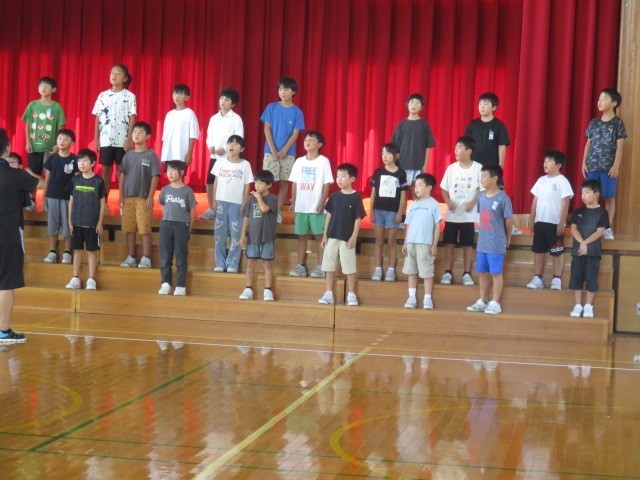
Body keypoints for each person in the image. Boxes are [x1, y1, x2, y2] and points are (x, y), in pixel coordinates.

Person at [0, 129, 43, 344]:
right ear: (8, 148)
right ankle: (3, 331)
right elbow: (43, 184)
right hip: (7, 236)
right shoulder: (16, 175)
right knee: (6, 284)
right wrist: (27, 171)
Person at [466, 165, 513, 315]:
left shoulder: (503, 198)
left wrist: (508, 237)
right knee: (482, 272)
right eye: (481, 176)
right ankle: (483, 300)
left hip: (496, 243)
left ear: (494, 178)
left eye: (484, 176)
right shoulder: (481, 197)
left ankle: (495, 302)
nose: (482, 179)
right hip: (482, 242)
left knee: (496, 273)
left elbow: (508, 220)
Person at [581, 88, 627, 240]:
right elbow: (588, 143)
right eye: (599, 99)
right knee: (590, 197)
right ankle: (589, 227)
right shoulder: (594, 122)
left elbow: (620, 146)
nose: (599, 101)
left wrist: (616, 166)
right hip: (592, 166)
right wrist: (583, 162)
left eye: (604, 99)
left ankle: (607, 228)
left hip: (608, 168)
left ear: (613, 103)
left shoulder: (618, 123)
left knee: (609, 198)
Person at [318, 163, 366, 307]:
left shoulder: (356, 197)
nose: (339, 179)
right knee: (329, 266)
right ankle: (328, 293)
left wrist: (354, 236)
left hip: (346, 238)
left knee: (349, 266)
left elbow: (357, 218)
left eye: (343, 176)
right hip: (332, 236)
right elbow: (329, 215)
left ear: (352, 179)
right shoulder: (334, 196)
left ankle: (351, 294)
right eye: (337, 176)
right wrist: (325, 235)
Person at [288, 131, 334, 279]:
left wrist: (322, 202)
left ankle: (321, 266)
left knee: (319, 236)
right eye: (306, 139)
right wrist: (293, 202)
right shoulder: (299, 161)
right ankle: (300, 265)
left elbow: (327, 184)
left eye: (311, 139)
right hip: (302, 206)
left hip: (316, 206)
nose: (307, 141)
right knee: (302, 236)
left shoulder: (324, 161)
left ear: (319, 144)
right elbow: (294, 183)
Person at [526, 150, 574, 290]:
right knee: (539, 251)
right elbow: (535, 200)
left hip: (555, 224)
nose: (545, 164)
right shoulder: (541, 180)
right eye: (544, 161)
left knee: (557, 251)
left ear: (558, 165)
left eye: (549, 161)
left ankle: (556, 279)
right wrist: (532, 218)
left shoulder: (562, 181)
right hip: (540, 222)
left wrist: (561, 222)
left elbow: (566, 203)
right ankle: (537, 278)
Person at [439, 136, 482, 286]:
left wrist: (473, 203)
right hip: (452, 215)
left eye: (459, 148)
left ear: (469, 151)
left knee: (467, 245)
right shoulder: (451, 168)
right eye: (455, 147)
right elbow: (444, 188)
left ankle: (467, 273)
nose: (456, 150)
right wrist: (448, 202)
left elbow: (482, 189)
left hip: (468, 216)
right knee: (449, 244)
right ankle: (447, 272)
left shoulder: (478, 168)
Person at [92, 64, 136, 209]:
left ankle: (123, 203)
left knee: (121, 172)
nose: (114, 76)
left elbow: (132, 118)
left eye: (118, 73)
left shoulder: (130, 96)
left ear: (125, 78)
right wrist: (96, 138)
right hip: (106, 140)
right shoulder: (102, 96)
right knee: (105, 171)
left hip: (123, 140)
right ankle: (103, 203)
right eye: (112, 73)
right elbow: (97, 118)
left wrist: (129, 139)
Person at [118, 121, 161, 269]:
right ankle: (131, 256)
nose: (136, 134)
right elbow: (122, 175)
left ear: (148, 136)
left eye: (140, 132)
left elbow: (155, 176)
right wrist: (121, 195)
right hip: (128, 198)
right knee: (129, 228)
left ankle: (146, 257)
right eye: (134, 132)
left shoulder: (151, 155)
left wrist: (150, 197)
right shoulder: (128, 155)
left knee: (144, 228)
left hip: (143, 198)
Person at [260, 77, 305, 216]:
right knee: (265, 181)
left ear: (293, 92)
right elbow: (266, 128)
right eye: (280, 89)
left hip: (288, 153)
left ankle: (277, 213)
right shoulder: (271, 107)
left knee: (284, 182)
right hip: (270, 152)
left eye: (286, 89)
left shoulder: (297, 112)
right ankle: (263, 209)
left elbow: (295, 134)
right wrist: (273, 149)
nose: (282, 92)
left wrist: (284, 150)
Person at [22, 76, 66, 211]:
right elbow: (27, 124)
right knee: (33, 174)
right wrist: (28, 141)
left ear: (54, 89)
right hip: (34, 147)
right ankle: (31, 200)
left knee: (49, 175)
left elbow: (60, 128)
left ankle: (46, 200)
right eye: (41, 85)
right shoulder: (32, 105)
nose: (43, 87)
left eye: (46, 85)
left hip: (50, 148)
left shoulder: (57, 107)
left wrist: (57, 144)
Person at [212, 135, 254, 273]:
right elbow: (216, 181)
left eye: (236, 144)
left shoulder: (245, 165)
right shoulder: (220, 162)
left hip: (236, 203)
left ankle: (232, 263)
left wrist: (244, 203)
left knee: (236, 235)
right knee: (219, 234)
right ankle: (220, 262)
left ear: (242, 149)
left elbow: (247, 185)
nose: (232, 146)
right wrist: (214, 199)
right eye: (230, 143)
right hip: (221, 201)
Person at [65, 149, 106, 291]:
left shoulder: (99, 181)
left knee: (92, 251)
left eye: (85, 160)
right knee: (76, 250)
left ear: (93, 163)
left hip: (92, 224)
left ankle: (91, 279)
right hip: (77, 222)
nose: (81, 163)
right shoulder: (74, 180)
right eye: (79, 160)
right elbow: (71, 201)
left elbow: (102, 203)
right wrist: (70, 221)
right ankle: (75, 277)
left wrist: (100, 222)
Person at [201, 87, 244, 220]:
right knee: (210, 182)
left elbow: (238, 138)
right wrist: (211, 147)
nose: (223, 101)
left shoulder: (236, 119)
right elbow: (209, 136)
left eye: (227, 99)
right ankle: (211, 208)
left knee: (226, 183)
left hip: (229, 157)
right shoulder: (214, 118)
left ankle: (225, 210)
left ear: (233, 104)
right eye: (221, 98)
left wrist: (225, 148)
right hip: (214, 156)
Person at [568, 180, 609, 318]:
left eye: (587, 192)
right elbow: (573, 229)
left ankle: (588, 306)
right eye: (582, 193)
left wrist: (585, 243)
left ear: (596, 194)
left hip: (593, 252)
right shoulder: (578, 211)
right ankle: (577, 305)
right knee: (576, 277)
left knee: (591, 278)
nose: (583, 196)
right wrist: (582, 243)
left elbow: (599, 232)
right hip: (578, 251)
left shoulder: (602, 212)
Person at [402, 173, 442, 309]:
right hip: (411, 243)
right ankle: (411, 297)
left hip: (425, 243)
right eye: (415, 186)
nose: (416, 188)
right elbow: (408, 225)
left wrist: (434, 245)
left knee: (426, 272)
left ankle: (427, 298)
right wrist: (405, 242)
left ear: (429, 187)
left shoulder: (434, 204)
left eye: (420, 185)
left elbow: (438, 226)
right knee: (411, 271)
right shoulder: (413, 204)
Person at [369, 143, 408, 282]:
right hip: (379, 210)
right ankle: (378, 269)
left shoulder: (401, 173)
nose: (384, 156)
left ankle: (391, 270)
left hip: (393, 211)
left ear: (396, 156)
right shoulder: (378, 172)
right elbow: (373, 193)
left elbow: (403, 195)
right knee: (379, 241)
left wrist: (400, 212)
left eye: (388, 153)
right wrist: (371, 210)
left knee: (391, 242)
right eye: (383, 153)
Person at [238, 170, 278, 301]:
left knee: (267, 264)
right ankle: (248, 288)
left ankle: (268, 290)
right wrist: (243, 235)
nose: (257, 185)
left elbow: (264, 209)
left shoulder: (273, 199)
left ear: (269, 185)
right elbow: (246, 218)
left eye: (260, 183)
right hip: (253, 237)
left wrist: (259, 197)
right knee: (250, 263)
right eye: (255, 183)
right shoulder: (250, 199)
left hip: (267, 237)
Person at [157, 161, 197, 296]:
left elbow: (192, 210)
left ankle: (180, 285)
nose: (170, 173)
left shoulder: (187, 191)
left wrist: (189, 226)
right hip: (166, 224)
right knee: (165, 255)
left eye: (173, 170)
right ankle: (165, 283)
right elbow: (163, 205)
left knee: (181, 256)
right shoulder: (165, 190)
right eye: (168, 170)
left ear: (182, 172)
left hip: (181, 225)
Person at [42, 129, 78, 265]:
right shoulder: (52, 159)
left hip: (69, 197)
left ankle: (67, 252)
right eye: (60, 138)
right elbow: (47, 180)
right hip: (52, 195)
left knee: (67, 224)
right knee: (53, 223)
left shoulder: (75, 159)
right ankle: (52, 251)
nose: (62, 141)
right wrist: (43, 198)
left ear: (72, 143)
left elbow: (76, 181)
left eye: (66, 139)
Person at [390, 93, 435, 198]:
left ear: (422, 107)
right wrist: (394, 164)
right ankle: (402, 210)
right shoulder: (402, 124)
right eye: (411, 102)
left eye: (417, 103)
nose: (414, 104)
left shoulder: (424, 125)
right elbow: (395, 147)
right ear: (407, 105)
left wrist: (425, 165)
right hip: (402, 165)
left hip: (417, 165)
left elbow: (427, 147)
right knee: (402, 194)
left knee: (417, 193)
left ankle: (416, 209)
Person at [160, 84, 200, 171]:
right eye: (175, 93)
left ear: (187, 97)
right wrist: (164, 153)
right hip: (169, 153)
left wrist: (189, 153)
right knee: (170, 175)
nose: (177, 96)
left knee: (179, 175)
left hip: (181, 153)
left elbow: (193, 135)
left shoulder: (190, 114)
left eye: (181, 94)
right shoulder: (169, 114)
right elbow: (165, 136)